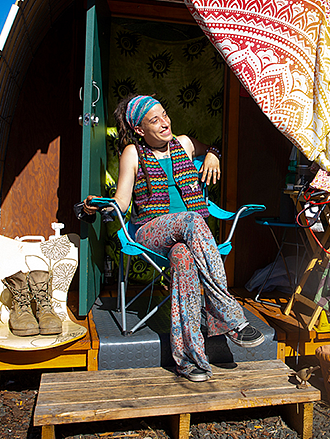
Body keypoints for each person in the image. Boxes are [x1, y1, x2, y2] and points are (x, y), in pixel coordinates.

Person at [83, 94, 264, 382]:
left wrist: (214, 154)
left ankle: (189, 359)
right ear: (140, 129)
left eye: (164, 115)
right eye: (155, 120)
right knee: (192, 219)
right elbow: (122, 201)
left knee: (182, 257)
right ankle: (229, 314)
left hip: (191, 238)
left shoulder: (185, 144)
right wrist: (100, 204)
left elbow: (213, 148)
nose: (165, 122)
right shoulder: (133, 152)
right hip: (150, 231)